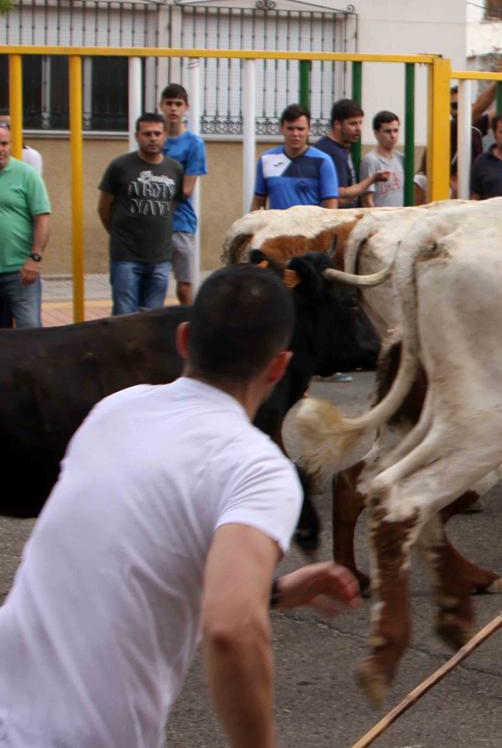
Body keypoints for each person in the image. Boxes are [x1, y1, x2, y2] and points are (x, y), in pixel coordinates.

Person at [0, 263, 360, 746]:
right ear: (278, 367)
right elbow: (232, 630)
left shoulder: (117, 410)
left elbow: (134, 552)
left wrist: (267, 591)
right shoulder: (257, 467)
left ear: (185, 339)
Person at [98, 113, 185, 316]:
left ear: (164, 136)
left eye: (157, 133)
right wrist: (118, 233)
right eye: (147, 134)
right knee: (124, 317)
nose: (153, 138)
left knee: (153, 319)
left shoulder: (174, 168)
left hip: (160, 258)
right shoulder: (120, 166)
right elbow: (104, 207)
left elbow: (172, 203)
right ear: (137, 136)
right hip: (126, 257)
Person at [159, 83, 208, 305]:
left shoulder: (193, 143)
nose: (173, 109)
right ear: (161, 105)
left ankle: (190, 327)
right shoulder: (153, 138)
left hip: (181, 222)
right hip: (152, 223)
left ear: (186, 107)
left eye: (178, 104)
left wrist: (156, 200)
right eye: (169, 103)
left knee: (185, 284)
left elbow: (186, 190)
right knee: (155, 281)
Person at [0, 122, 50, 328]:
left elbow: (43, 218)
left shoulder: (26, 175)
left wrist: (35, 258)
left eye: (4, 143)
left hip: (20, 272)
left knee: (30, 333)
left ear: (11, 145)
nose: (0, 149)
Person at [252, 105, 339, 212]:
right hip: (277, 227)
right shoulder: (266, 159)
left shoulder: (323, 161)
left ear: (309, 130)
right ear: (282, 129)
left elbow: (331, 207)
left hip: (310, 227)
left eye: (300, 129)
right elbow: (257, 203)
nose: (295, 134)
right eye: (290, 128)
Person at [312, 99, 389, 209]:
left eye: (360, 123)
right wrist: (372, 179)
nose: (358, 129)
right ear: (337, 124)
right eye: (353, 124)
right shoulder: (331, 152)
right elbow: (339, 196)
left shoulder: (341, 147)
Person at [360, 110, 406, 207]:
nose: (393, 135)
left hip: (401, 218)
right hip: (381, 219)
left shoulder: (402, 158)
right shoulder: (370, 160)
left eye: (395, 130)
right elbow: (367, 200)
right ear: (376, 133)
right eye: (387, 131)